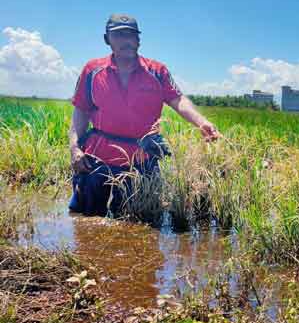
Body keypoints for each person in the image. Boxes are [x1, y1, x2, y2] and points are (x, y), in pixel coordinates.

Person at [68, 14, 220, 216]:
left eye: (131, 35)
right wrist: (74, 148)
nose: (126, 40)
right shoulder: (92, 70)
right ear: (107, 39)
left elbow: (178, 100)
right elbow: (81, 111)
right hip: (97, 157)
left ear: (138, 40)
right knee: (85, 219)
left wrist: (202, 122)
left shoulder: (157, 72)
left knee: (137, 221)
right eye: (119, 35)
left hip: (142, 159)